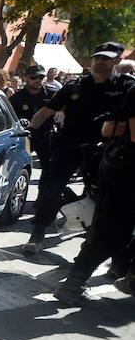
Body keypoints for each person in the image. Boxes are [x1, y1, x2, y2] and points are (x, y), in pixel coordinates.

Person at [22, 42, 132, 255]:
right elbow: (45, 112)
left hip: (104, 150)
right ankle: (38, 232)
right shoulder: (75, 86)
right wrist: (26, 129)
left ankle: (91, 240)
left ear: (117, 60)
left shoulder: (125, 87)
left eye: (106, 58)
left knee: (101, 197)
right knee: (52, 188)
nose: (100, 62)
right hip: (69, 145)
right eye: (97, 58)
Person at [54, 73, 135, 305]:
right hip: (126, 171)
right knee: (111, 230)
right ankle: (73, 284)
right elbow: (113, 130)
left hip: (119, 165)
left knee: (111, 229)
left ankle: (122, 273)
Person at [9, 65, 54, 191]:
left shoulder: (51, 95)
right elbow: (9, 117)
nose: (38, 80)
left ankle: (42, 197)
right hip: (26, 138)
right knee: (17, 167)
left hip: (46, 136)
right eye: (34, 77)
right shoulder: (17, 98)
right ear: (26, 78)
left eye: (41, 77)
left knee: (49, 168)